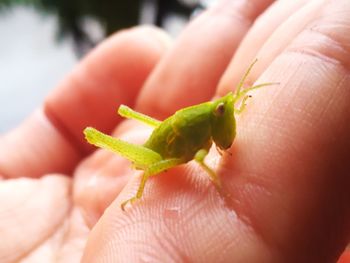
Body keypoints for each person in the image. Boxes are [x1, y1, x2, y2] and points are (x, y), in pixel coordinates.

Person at [0, 0, 349, 262]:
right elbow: (188, 159)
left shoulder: (211, 114)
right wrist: (145, 193)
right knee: (153, 162)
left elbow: (222, 113)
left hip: (181, 130)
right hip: (163, 153)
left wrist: (236, 105)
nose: (225, 112)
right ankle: (115, 154)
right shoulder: (198, 139)